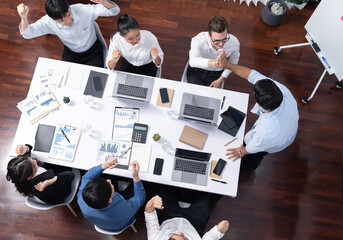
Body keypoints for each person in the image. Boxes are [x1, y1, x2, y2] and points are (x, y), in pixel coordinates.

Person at [216, 50, 299, 170]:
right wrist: (227, 64)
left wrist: (241, 152)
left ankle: (249, 167)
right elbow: (252, 75)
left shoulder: (265, 133)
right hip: (289, 127)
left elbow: (253, 147)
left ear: (259, 106)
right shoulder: (282, 90)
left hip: (276, 141)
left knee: (253, 158)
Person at [17, 0, 120, 67]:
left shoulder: (83, 10)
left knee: (97, 81)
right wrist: (23, 17)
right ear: (53, 19)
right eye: (62, 21)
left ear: (69, 7)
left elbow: (114, 11)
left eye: (69, 15)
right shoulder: (47, 22)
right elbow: (27, 34)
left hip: (93, 51)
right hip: (71, 54)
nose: (68, 21)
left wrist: (103, 2)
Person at [77, 157, 146, 231]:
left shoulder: (82, 196)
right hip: (122, 219)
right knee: (144, 184)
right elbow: (140, 197)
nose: (109, 180)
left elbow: (86, 177)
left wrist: (104, 165)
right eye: (109, 185)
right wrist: (135, 177)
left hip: (103, 223)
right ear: (110, 199)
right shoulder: (124, 210)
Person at [144, 187, 229, 239]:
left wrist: (152, 202)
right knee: (207, 198)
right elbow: (211, 236)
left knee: (165, 189)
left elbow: (149, 214)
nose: (180, 233)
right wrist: (219, 230)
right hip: (194, 222)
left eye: (174, 235)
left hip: (168, 216)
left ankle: (178, 191)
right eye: (184, 238)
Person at [6, 144, 75, 204]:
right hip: (60, 192)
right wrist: (51, 181)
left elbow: (27, 154)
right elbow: (71, 175)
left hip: (49, 172)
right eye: (33, 164)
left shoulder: (20, 172)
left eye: (30, 159)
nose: (34, 160)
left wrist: (26, 148)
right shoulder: (41, 186)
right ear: (29, 176)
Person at [186, 15, 240, 88]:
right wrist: (216, 62)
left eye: (224, 39)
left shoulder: (234, 43)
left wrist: (220, 80)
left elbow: (233, 62)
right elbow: (193, 61)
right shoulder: (198, 40)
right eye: (216, 41)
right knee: (195, 94)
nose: (221, 44)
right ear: (209, 35)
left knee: (210, 96)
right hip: (196, 71)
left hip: (216, 74)